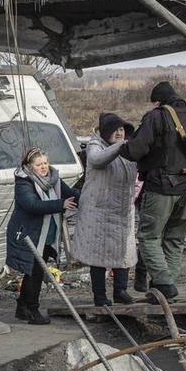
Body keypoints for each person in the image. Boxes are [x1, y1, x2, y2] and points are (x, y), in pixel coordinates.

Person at [119, 81, 186, 302]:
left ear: (158, 101)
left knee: (148, 237)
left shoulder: (156, 117)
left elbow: (135, 150)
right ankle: (163, 289)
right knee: (174, 240)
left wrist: (119, 147)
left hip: (161, 187)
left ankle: (163, 283)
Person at [71, 113, 139, 307]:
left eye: (122, 130)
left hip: (122, 211)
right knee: (98, 256)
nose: (119, 133)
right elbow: (98, 160)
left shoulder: (128, 150)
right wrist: (121, 145)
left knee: (124, 254)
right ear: (106, 132)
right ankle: (100, 296)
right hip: (98, 212)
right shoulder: (95, 146)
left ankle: (121, 291)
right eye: (116, 130)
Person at [6, 147, 79, 324]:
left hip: (46, 235)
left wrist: (87, 198)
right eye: (39, 164)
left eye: (45, 163)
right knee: (34, 272)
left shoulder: (53, 179)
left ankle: (23, 307)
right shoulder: (24, 183)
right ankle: (31, 309)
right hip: (28, 235)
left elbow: (71, 194)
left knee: (35, 271)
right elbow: (33, 205)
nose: (44, 167)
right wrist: (61, 204)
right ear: (30, 167)